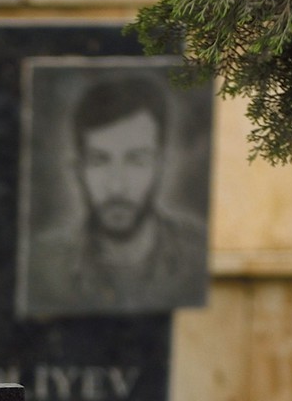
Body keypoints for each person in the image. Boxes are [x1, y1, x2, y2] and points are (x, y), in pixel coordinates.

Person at [26, 72, 203, 314]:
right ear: (78, 169)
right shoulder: (40, 266)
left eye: (136, 161)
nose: (117, 187)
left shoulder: (200, 258)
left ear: (161, 165)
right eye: (99, 161)